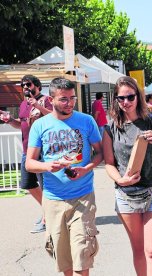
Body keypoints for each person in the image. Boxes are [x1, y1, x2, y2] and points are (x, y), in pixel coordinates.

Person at [25, 77, 103, 275]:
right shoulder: (40, 125)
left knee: (81, 259)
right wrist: (47, 166)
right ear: (51, 100)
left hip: (82, 198)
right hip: (53, 200)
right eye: (63, 99)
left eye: (72, 98)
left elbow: (100, 152)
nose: (69, 103)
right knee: (65, 263)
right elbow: (30, 163)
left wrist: (87, 168)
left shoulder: (86, 121)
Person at [103, 76, 152, 275]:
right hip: (126, 195)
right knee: (138, 250)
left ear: (138, 96)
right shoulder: (110, 127)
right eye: (121, 98)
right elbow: (109, 163)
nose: (126, 102)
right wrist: (119, 179)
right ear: (115, 99)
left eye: (130, 97)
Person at [0, 74, 52, 233]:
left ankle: (47, 218)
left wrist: (37, 104)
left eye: (28, 84)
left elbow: (54, 116)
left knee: (45, 186)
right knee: (27, 184)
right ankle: (49, 212)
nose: (25, 87)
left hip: (43, 150)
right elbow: (21, 124)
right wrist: (9, 120)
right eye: (23, 85)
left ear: (37, 86)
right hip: (27, 150)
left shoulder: (46, 100)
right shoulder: (23, 104)